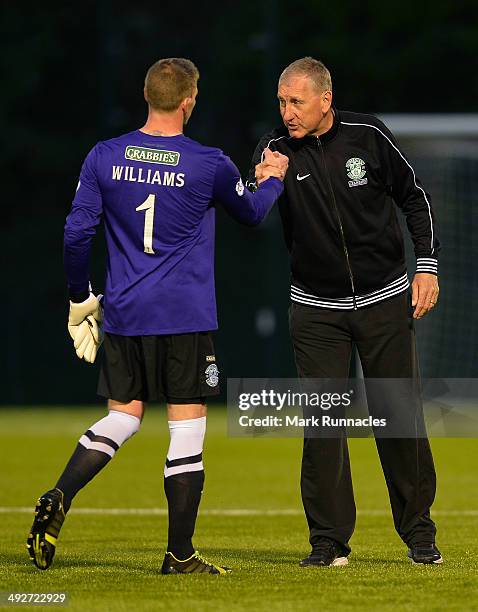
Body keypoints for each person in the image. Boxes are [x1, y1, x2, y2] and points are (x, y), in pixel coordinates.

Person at [27, 57, 288, 575]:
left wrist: (81, 298)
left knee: (122, 417)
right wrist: (273, 179)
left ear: (147, 96)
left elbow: (76, 233)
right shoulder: (209, 162)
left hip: (124, 314)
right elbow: (253, 214)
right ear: (189, 100)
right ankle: (180, 554)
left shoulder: (104, 156)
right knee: (186, 432)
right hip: (184, 317)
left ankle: (60, 494)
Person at [248, 57, 442, 566]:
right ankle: (328, 543)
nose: (287, 112)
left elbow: (414, 199)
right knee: (323, 427)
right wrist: (265, 180)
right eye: (282, 102)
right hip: (316, 311)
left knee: (398, 418)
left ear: (325, 100)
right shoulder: (275, 149)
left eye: (297, 101)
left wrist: (426, 265)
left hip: (383, 300)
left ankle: (420, 533)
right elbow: (252, 211)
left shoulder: (370, 136)